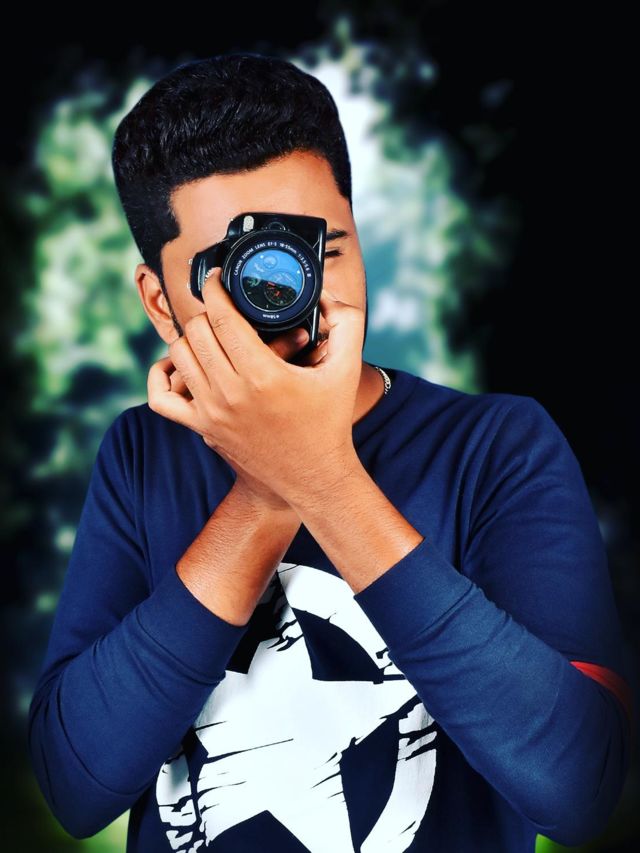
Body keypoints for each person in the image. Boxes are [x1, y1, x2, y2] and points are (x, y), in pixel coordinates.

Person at [27, 51, 636, 852]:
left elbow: (582, 787)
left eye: (321, 251)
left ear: (356, 237)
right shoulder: (144, 453)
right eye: (235, 273)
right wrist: (268, 487)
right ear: (161, 302)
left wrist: (321, 476)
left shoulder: (498, 447)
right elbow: (74, 788)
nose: (286, 295)